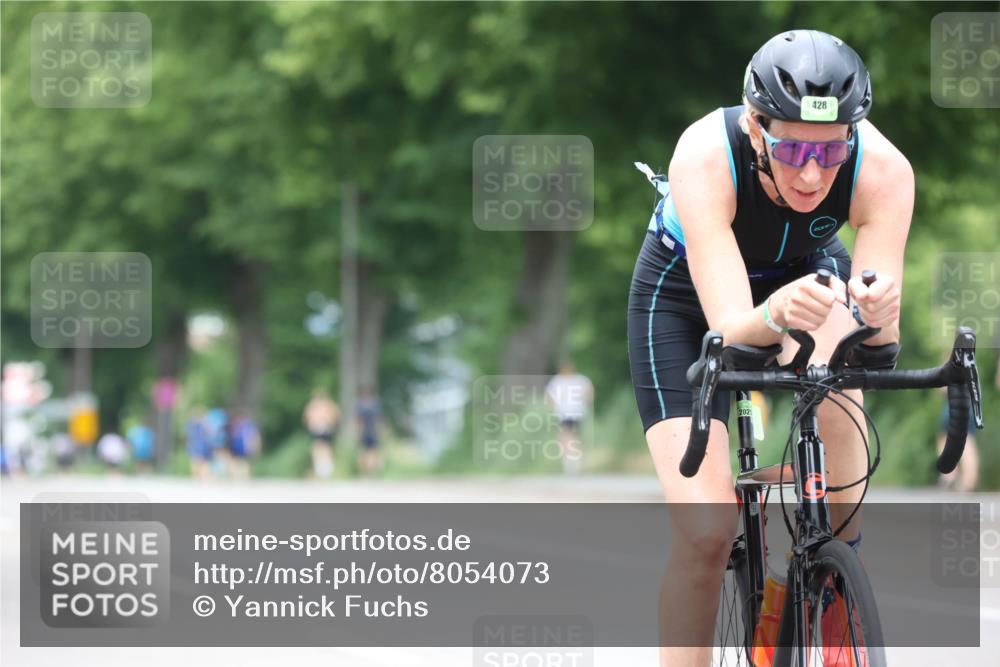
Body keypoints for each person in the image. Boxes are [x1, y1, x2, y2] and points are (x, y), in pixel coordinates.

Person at [626, 30, 910, 663]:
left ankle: (832, 573)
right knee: (705, 533)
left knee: (837, 358)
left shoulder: (884, 171)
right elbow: (730, 328)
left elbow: (878, 347)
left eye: (830, 152)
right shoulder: (704, 153)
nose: (811, 172)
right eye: (791, 149)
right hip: (684, 297)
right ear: (756, 129)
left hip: (804, 272)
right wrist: (774, 313)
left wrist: (878, 316)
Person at [545, 361, 594, 474]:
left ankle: (572, 460)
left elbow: (589, 391)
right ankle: (573, 459)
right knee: (569, 435)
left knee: (568, 435)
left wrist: (587, 401)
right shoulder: (557, 381)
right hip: (563, 413)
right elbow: (549, 396)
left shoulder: (579, 379)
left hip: (575, 412)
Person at [303, 388, 340, 479]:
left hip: (322, 427)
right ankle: (322, 469)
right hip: (320, 427)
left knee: (321, 447)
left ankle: (324, 469)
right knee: (322, 447)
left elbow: (306, 417)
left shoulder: (317, 405)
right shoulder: (325, 404)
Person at [356, 387, 382, 475]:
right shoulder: (374, 404)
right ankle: (368, 471)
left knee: (369, 452)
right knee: (367, 452)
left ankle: (369, 471)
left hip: (370, 431)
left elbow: (359, 420)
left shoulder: (361, 405)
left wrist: (359, 431)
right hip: (370, 431)